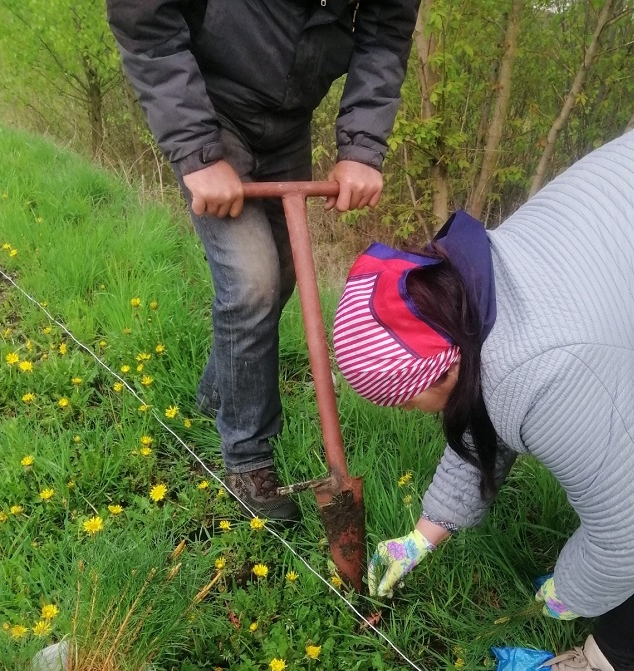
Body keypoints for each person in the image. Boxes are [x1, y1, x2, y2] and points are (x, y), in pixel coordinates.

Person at [332, 102, 634, 671]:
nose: (411, 412)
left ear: (444, 366)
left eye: (407, 400)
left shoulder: (553, 368)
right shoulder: (479, 286)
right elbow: (485, 406)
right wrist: (422, 537)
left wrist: (566, 591)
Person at [107, 0, 421, 519]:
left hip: (289, 122)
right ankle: (247, 459)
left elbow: (386, 34)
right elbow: (146, 21)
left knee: (280, 279)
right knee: (252, 280)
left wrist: (362, 147)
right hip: (209, 112)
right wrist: (199, 154)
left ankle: (216, 394)